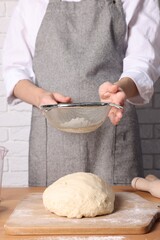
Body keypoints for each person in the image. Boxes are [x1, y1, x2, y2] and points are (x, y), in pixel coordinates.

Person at [2, 0, 160, 186]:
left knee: (121, 207)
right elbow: (15, 69)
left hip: (113, 132)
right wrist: (40, 98)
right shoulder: (32, 3)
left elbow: (143, 61)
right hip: (52, 138)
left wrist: (120, 89)